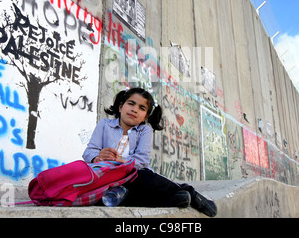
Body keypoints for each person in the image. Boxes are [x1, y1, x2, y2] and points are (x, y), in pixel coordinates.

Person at [82, 87, 217, 217]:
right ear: (120, 107)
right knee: (89, 179)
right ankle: (175, 199)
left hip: (133, 177)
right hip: (106, 177)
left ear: (145, 116)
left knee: (146, 178)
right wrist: (97, 158)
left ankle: (190, 193)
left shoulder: (144, 130)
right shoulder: (104, 125)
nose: (134, 110)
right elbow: (89, 151)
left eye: (141, 108)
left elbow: (142, 160)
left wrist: (121, 162)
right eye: (131, 104)